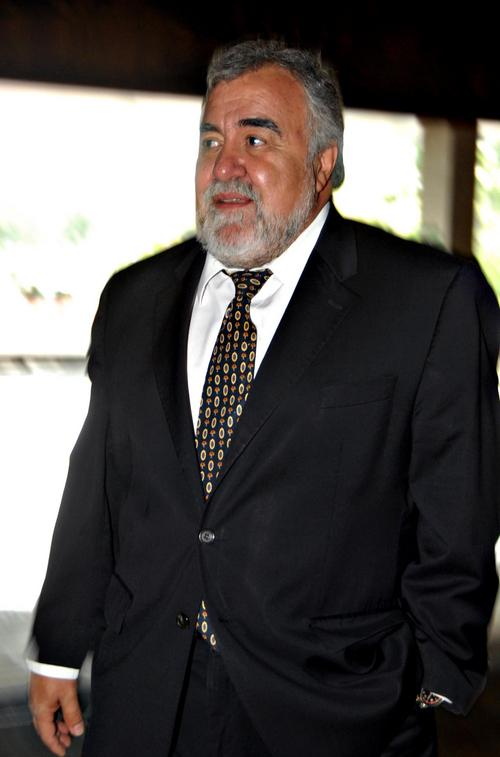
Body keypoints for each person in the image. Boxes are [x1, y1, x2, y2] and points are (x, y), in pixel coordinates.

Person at [28, 40, 499, 757]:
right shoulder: (133, 298)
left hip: (333, 712)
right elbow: (96, 485)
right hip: (146, 695)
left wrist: (427, 675)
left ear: (323, 164)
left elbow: (459, 510)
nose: (225, 165)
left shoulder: (425, 300)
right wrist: (59, 650)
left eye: (256, 139)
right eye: (211, 141)